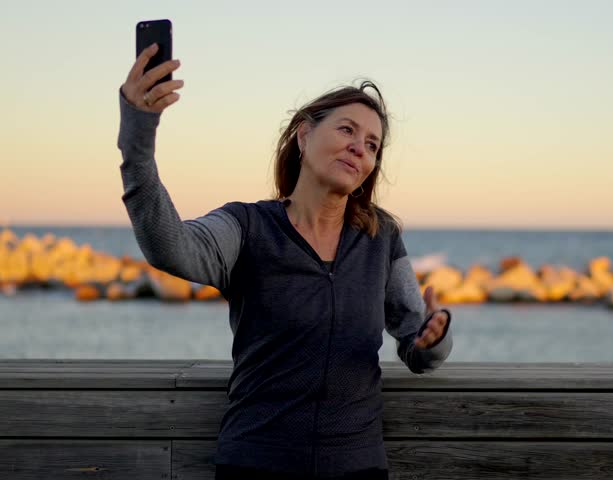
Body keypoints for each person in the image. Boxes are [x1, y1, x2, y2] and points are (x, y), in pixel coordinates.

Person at [117, 43, 453, 480]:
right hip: (255, 464)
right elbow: (170, 247)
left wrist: (431, 340)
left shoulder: (381, 237)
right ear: (304, 135)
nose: (359, 148)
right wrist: (138, 140)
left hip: (357, 468)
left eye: (372, 145)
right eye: (347, 130)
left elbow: (415, 344)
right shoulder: (247, 226)